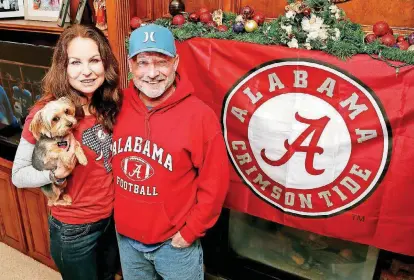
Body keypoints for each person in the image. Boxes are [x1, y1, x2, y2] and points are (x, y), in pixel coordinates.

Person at [112, 24, 230, 280]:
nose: (152, 73)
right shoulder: (116, 105)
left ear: (175, 63)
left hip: (174, 244)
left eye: (161, 62)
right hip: (127, 240)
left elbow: (215, 182)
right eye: (143, 62)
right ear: (131, 66)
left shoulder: (199, 116)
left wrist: (191, 232)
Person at [12, 24, 122, 280]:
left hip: (112, 221)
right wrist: (56, 172)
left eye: (94, 60)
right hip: (74, 231)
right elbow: (18, 174)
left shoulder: (108, 103)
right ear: (63, 67)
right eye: (75, 62)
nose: (86, 71)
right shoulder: (45, 113)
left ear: (105, 64)